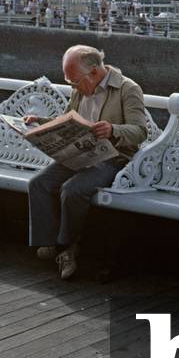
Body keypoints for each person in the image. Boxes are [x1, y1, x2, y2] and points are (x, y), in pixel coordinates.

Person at [27, 45, 147, 279]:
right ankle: (48, 242)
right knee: (38, 183)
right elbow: (66, 120)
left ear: (93, 72)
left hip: (112, 157)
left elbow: (140, 131)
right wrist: (39, 123)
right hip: (79, 153)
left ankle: (66, 247)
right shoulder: (79, 89)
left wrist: (113, 129)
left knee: (72, 190)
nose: (73, 87)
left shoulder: (127, 89)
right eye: (69, 83)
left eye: (75, 82)